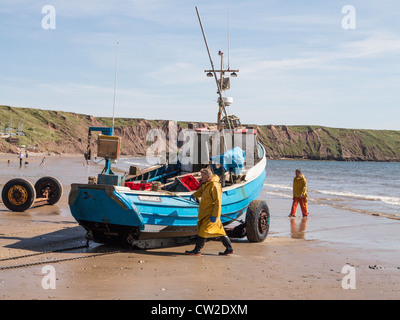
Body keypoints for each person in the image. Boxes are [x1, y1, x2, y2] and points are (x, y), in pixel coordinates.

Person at [185, 168, 234, 256]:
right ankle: (229, 248)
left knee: (203, 231)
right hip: (206, 212)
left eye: (202, 176)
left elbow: (218, 202)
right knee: (220, 231)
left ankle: (197, 250)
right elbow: (202, 191)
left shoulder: (215, 186)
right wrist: (194, 195)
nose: (201, 178)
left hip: (211, 213)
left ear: (208, 177)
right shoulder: (207, 184)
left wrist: (215, 215)